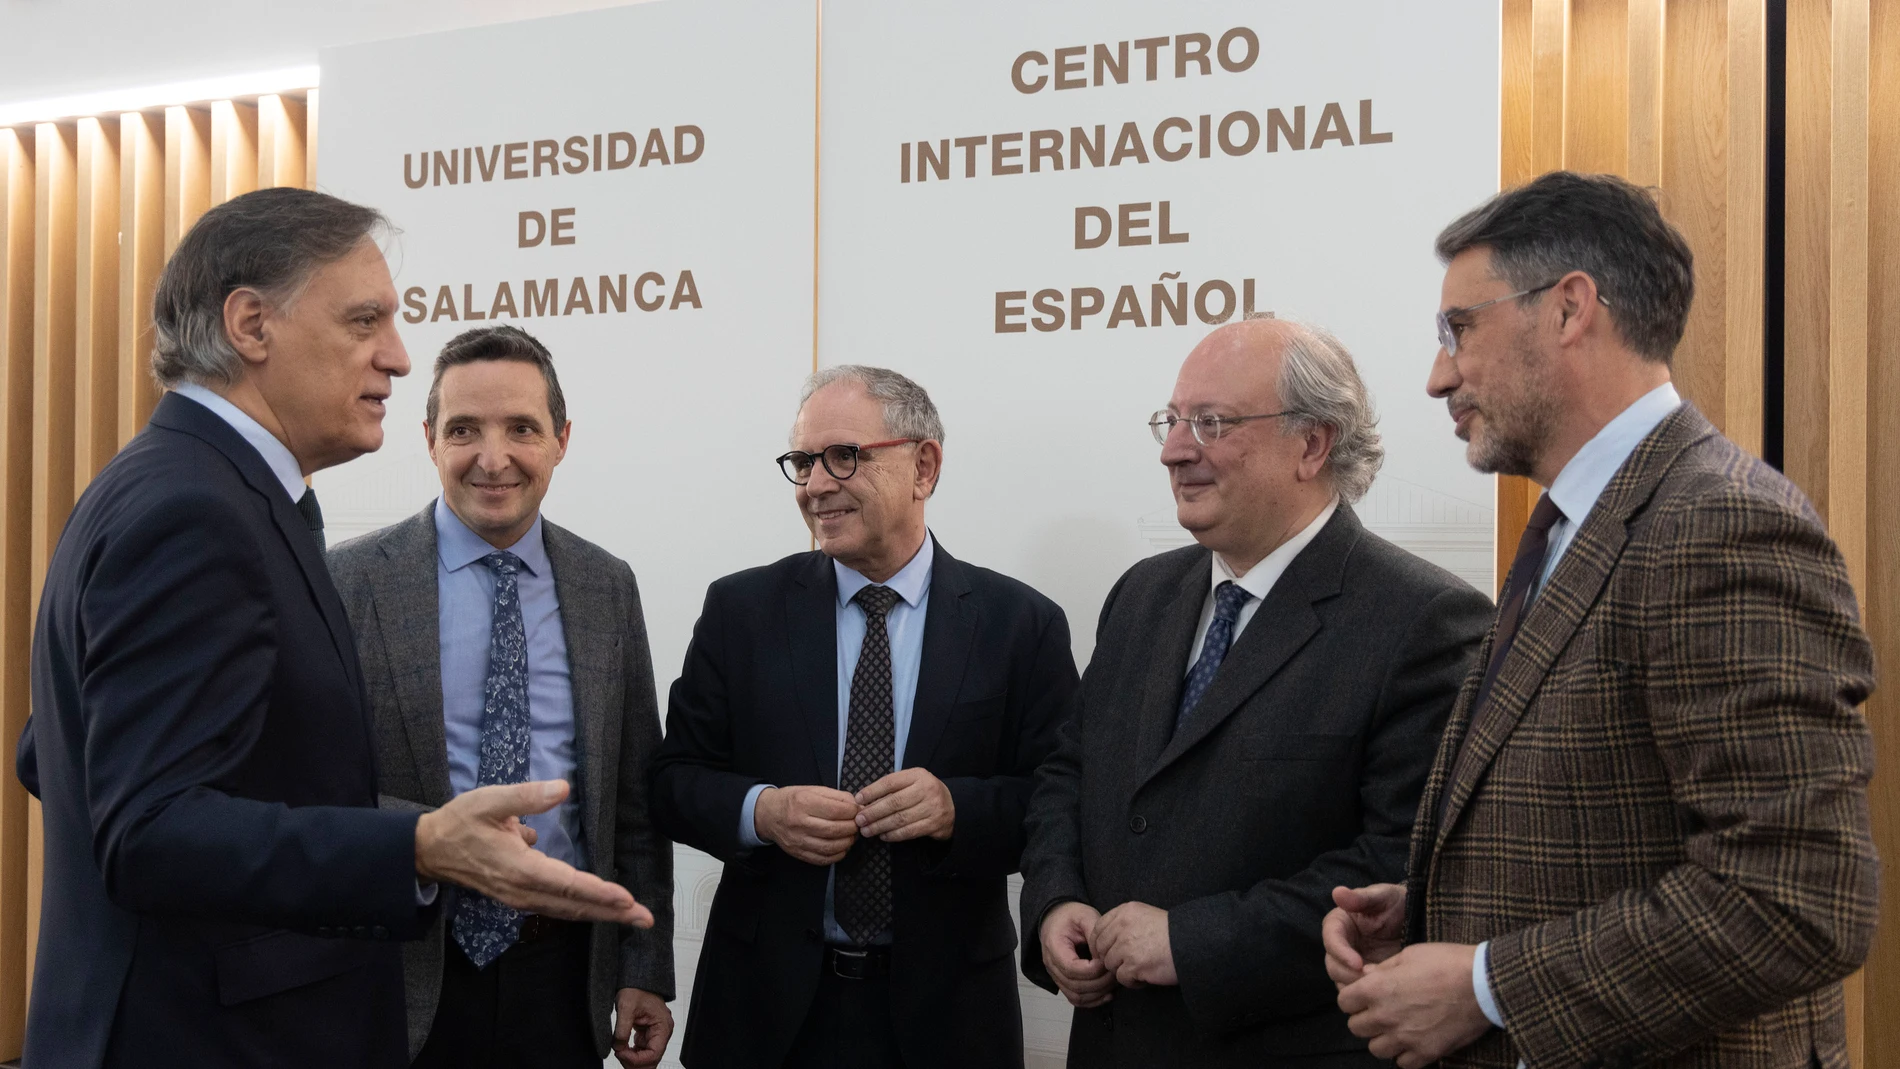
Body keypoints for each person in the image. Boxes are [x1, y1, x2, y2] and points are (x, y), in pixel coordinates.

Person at [16, 188, 649, 1069]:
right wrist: (421, 844)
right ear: (251, 324)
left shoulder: (206, 490)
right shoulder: (195, 512)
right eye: (363, 321)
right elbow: (148, 826)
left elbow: (56, 752)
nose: (396, 355)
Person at [1324, 171, 1878, 1069]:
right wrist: (1432, 912)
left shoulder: (1719, 523)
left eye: (1459, 328)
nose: (1438, 376)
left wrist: (1488, 984)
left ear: (1569, 308)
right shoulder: (1579, 524)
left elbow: (1796, 896)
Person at [1019, 317, 1492, 1069]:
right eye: (1172, 421)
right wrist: (1054, 900)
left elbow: (1404, 865)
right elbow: (1067, 773)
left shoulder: (1423, 620)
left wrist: (1190, 942)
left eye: (1211, 422)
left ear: (1312, 444)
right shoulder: (1142, 594)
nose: (1175, 450)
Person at [650, 365, 1079, 1069]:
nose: (815, 484)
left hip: (948, 1020)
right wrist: (763, 811)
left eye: (844, 456)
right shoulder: (741, 611)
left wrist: (955, 808)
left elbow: (1058, 802)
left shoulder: (1019, 624)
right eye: (803, 462)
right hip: (762, 1012)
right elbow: (672, 781)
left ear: (924, 466)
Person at [328, 325, 675, 1069]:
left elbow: (635, 801)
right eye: (464, 430)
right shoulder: (348, 582)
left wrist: (643, 967)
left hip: (562, 978)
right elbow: (311, 788)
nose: (493, 458)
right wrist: (430, 839)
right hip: (394, 973)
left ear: (561, 440)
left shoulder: (606, 585)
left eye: (521, 428)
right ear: (428, 439)